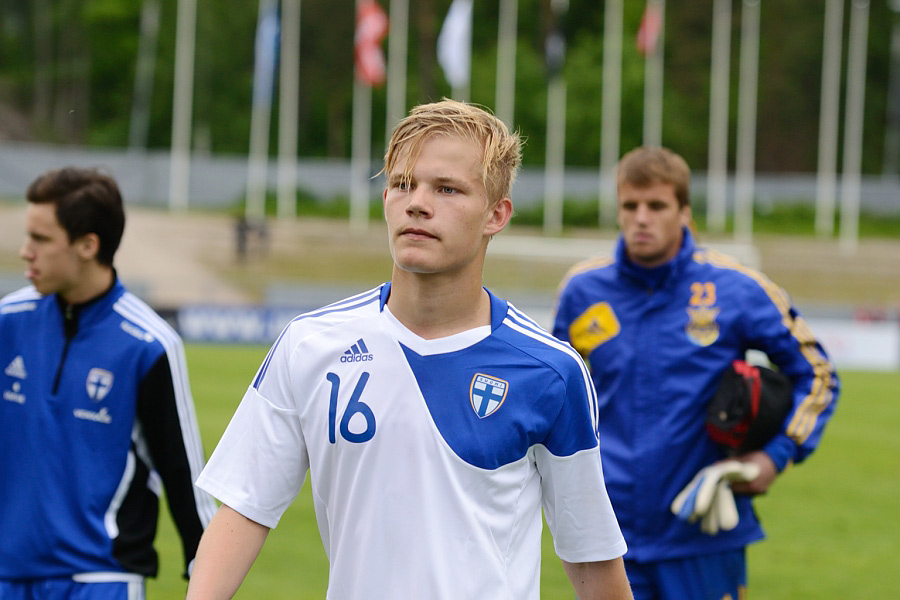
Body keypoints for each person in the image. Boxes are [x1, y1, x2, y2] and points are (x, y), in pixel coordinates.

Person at [186, 100, 633, 600]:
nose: (417, 203)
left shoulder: (551, 371)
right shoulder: (309, 344)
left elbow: (592, 559)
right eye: (403, 184)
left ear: (496, 214)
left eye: (447, 189)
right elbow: (246, 508)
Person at [551, 146, 839, 600]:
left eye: (657, 206)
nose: (641, 218)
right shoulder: (583, 290)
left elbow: (818, 374)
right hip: (609, 536)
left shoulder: (737, 288)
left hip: (703, 532)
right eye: (630, 205)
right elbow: (554, 397)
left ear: (684, 211)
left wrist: (776, 454)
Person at [0, 167, 217, 599]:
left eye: (41, 239)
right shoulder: (7, 322)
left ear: (87, 245)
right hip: (8, 577)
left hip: (101, 580)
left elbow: (183, 475)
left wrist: (207, 579)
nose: (25, 252)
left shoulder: (149, 345)